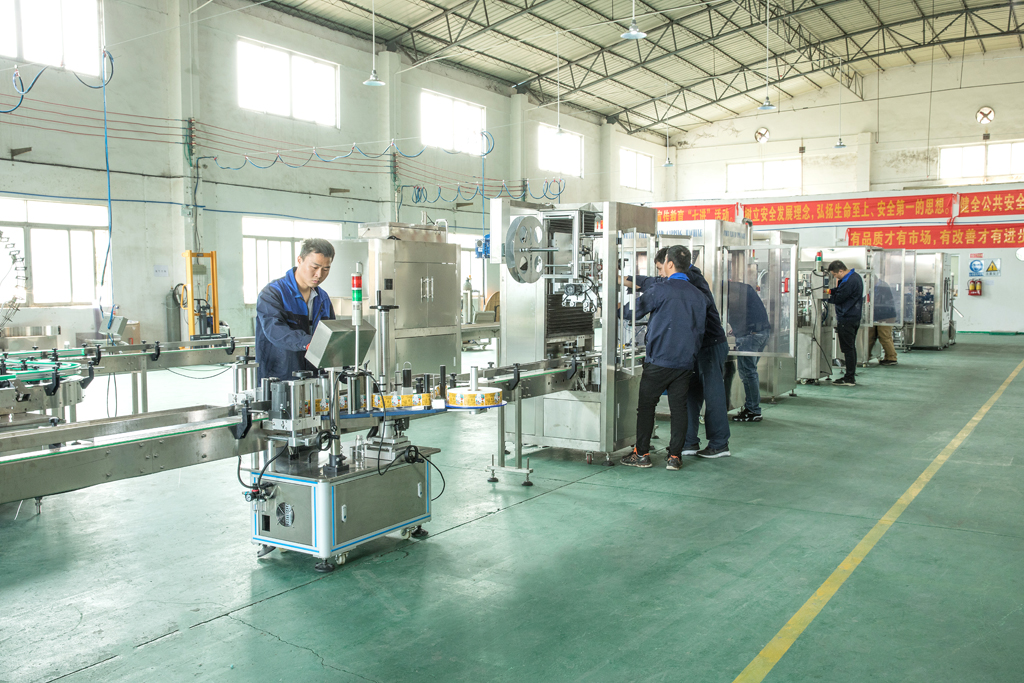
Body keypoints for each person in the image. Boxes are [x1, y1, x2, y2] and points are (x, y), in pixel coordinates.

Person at [627, 247, 731, 459]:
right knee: (689, 396)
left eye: (661, 268)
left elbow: (658, 286)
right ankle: (688, 443)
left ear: (670, 264)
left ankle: (719, 443)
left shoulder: (689, 280)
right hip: (693, 347)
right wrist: (628, 280)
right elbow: (659, 284)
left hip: (710, 344)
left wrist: (625, 280)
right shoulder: (686, 279)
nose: (661, 274)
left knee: (713, 395)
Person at [620, 246, 708, 471]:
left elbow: (633, 312)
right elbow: (699, 331)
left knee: (646, 406)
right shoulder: (699, 295)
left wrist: (616, 307)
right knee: (679, 409)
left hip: (659, 360)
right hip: (685, 362)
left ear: (669, 264)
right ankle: (675, 457)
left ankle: (642, 454)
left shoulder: (661, 290)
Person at [255, 238, 336, 383]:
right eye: (315, 267)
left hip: (315, 378)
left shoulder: (322, 298)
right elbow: (275, 331)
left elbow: (331, 335)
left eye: (326, 269)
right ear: (299, 260)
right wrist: (308, 342)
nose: (319, 274)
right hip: (279, 378)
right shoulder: (273, 293)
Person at [724, 280, 770, 422]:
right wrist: (736, 329)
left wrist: (739, 329)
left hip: (750, 336)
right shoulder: (743, 288)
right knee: (751, 372)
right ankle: (752, 408)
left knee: (748, 373)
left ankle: (753, 410)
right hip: (761, 333)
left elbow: (731, 312)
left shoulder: (730, 293)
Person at [826, 260, 864, 386]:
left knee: (848, 349)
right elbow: (840, 291)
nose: (835, 277)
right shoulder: (854, 277)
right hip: (853, 317)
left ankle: (849, 378)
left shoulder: (849, 281)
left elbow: (839, 298)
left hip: (847, 318)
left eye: (835, 275)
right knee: (850, 348)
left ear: (841, 271)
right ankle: (850, 376)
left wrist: (823, 297)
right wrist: (829, 291)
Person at [868, 278, 899, 366]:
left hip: (886, 316)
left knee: (885, 336)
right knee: (874, 336)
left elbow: (879, 302)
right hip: (881, 315)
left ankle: (892, 358)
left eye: (867, 281)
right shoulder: (877, 287)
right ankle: (867, 355)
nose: (867, 284)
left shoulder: (882, 287)